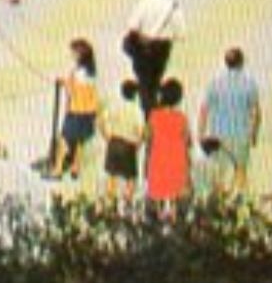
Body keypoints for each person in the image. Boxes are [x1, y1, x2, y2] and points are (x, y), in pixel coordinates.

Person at [199, 47, 261, 194]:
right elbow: (256, 112)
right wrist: (254, 134)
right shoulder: (249, 83)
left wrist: (201, 134)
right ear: (242, 62)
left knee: (218, 172)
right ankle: (239, 202)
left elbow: (204, 110)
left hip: (218, 134)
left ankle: (219, 204)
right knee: (240, 170)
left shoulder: (215, 82)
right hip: (241, 133)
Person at [125, 0, 184, 114]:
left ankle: (147, 115)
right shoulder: (173, 5)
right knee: (156, 81)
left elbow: (132, 26)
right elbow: (180, 32)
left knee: (143, 83)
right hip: (162, 48)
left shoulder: (144, 2)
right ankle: (155, 114)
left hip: (142, 48)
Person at [50, 39, 100, 181]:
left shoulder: (79, 72)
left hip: (77, 110)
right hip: (89, 111)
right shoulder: (91, 72)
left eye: (73, 52)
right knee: (80, 142)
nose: (71, 55)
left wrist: (65, 83)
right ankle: (75, 168)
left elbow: (73, 90)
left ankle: (58, 169)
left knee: (64, 139)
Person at [146, 78, 192, 211]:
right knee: (174, 197)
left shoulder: (154, 116)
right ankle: (173, 220)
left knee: (158, 197)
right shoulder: (182, 118)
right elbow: (188, 140)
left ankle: (159, 222)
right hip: (177, 161)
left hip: (158, 159)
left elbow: (148, 138)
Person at [100, 79, 146, 202]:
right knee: (131, 178)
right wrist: (138, 145)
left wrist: (106, 137)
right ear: (136, 95)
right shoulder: (137, 110)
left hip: (113, 142)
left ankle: (110, 204)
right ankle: (127, 202)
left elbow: (101, 121)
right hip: (128, 145)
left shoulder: (114, 106)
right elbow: (141, 131)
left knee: (111, 176)